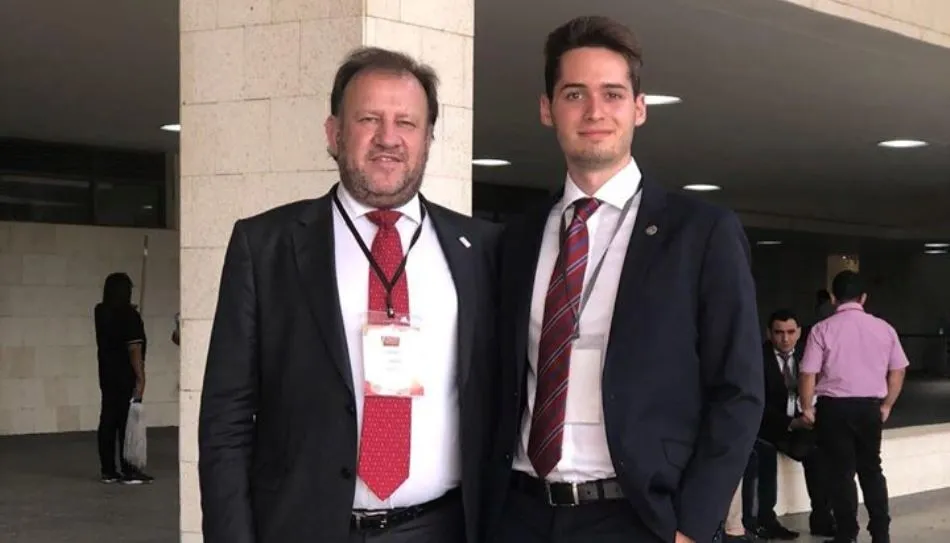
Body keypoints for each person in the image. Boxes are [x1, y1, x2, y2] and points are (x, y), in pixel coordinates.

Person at [198, 47, 501, 543]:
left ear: (428, 140)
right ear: (334, 134)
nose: (388, 138)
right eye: (368, 119)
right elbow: (226, 421)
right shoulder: (266, 246)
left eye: (406, 122)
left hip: (442, 530)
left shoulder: (481, 250)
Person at [485, 15, 764, 543]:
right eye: (574, 94)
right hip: (519, 514)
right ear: (547, 109)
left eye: (613, 94)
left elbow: (740, 391)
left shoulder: (701, 233)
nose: (594, 111)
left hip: (638, 518)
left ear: (639, 107)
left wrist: (694, 525)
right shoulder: (518, 238)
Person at [800, 271, 908, 543]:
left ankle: (847, 533)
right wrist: (887, 405)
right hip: (869, 409)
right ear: (864, 298)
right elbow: (898, 370)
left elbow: (808, 373)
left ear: (834, 298)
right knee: (872, 470)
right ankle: (880, 532)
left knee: (841, 473)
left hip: (833, 409)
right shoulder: (884, 328)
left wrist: (807, 407)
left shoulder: (822, 329)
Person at [754, 309, 833, 540]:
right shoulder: (758, 359)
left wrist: (810, 417)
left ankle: (822, 518)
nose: (785, 339)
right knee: (765, 455)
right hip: (769, 426)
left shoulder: (808, 355)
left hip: (802, 423)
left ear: (799, 332)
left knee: (819, 453)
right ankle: (766, 521)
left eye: (790, 332)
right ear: (769, 333)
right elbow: (757, 402)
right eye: (779, 333)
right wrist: (791, 423)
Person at [93, 272, 153, 484]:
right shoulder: (130, 317)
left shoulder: (100, 312)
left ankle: (108, 470)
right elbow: (134, 348)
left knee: (109, 419)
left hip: (107, 373)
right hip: (126, 375)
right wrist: (141, 377)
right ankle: (129, 469)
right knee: (127, 422)